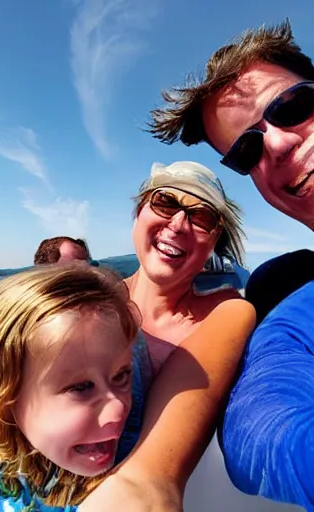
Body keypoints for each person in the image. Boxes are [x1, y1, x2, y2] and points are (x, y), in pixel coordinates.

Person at [0, 263, 255, 511]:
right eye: (81, 387)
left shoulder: (130, 458)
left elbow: (236, 314)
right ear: (5, 396)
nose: (120, 407)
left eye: (122, 376)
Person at [146, 19, 314, 509]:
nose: (277, 144)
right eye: (247, 148)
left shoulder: (230, 307)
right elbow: (261, 420)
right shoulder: (282, 291)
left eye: (295, 106)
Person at [125, 160, 245, 375]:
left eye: (201, 217)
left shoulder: (220, 319)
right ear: (139, 211)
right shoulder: (85, 300)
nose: (178, 225)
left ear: (214, 241)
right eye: (166, 203)